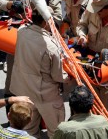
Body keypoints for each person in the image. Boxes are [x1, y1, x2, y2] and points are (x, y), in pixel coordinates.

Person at [0, 0, 62, 105]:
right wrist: (12, 5)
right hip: (19, 36)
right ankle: (13, 110)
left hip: (41, 37)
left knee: (41, 77)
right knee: (13, 74)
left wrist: (39, 9)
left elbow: (57, 16)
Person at [10, 7, 66, 138]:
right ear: (46, 22)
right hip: (45, 95)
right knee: (56, 133)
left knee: (29, 131)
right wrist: (70, 77)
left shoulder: (21, 31)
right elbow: (58, 76)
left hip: (23, 91)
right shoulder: (51, 46)